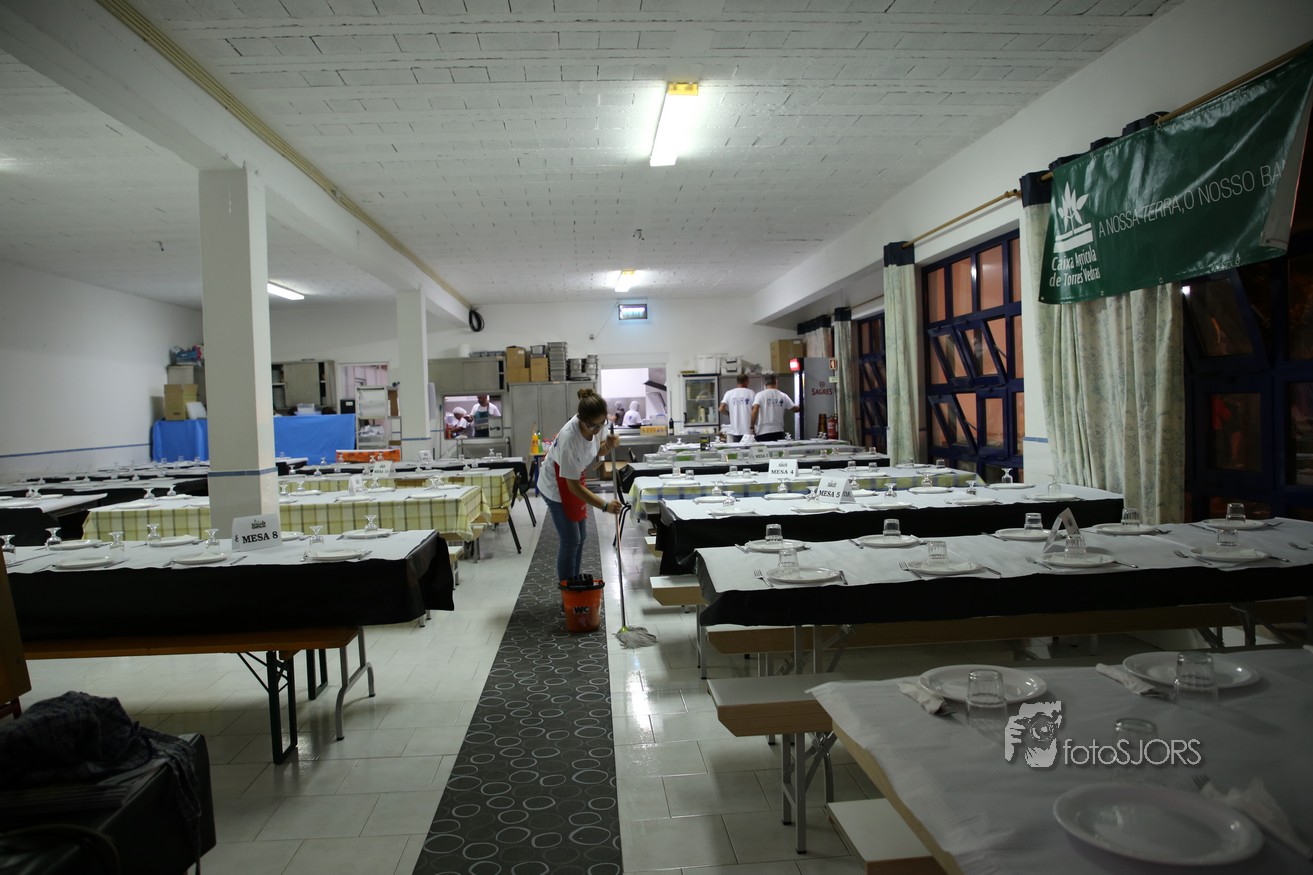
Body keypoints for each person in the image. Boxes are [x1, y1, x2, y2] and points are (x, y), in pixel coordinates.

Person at [539, 388, 623, 582]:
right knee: (571, 540)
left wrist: (608, 445)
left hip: (573, 479)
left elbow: (594, 451)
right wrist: (604, 505)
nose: (598, 429)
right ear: (581, 419)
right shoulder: (570, 439)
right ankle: (568, 590)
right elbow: (573, 487)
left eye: (602, 424)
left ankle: (575, 582)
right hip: (556, 486)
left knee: (581, 537)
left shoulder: (594, 426)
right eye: (594, 426)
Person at [750, 374, 799, 442]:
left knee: (764, 449)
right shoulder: (783, 396)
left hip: (763, 432)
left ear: (765, 384)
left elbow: (755, 410)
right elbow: (795, 409)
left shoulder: (760, 395)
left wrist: (752, 426)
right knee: (777, 449)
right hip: (778, 431)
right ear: (776, 382)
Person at [718, 374, 754, 443]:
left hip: (735, 430)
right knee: (749, 448)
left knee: (737, 448)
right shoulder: (751, 393)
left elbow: (721, 409)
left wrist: (729, 413)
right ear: (746, 381)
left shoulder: (729, 393)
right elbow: (755, 410)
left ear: (737, 382)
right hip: (748, 430)